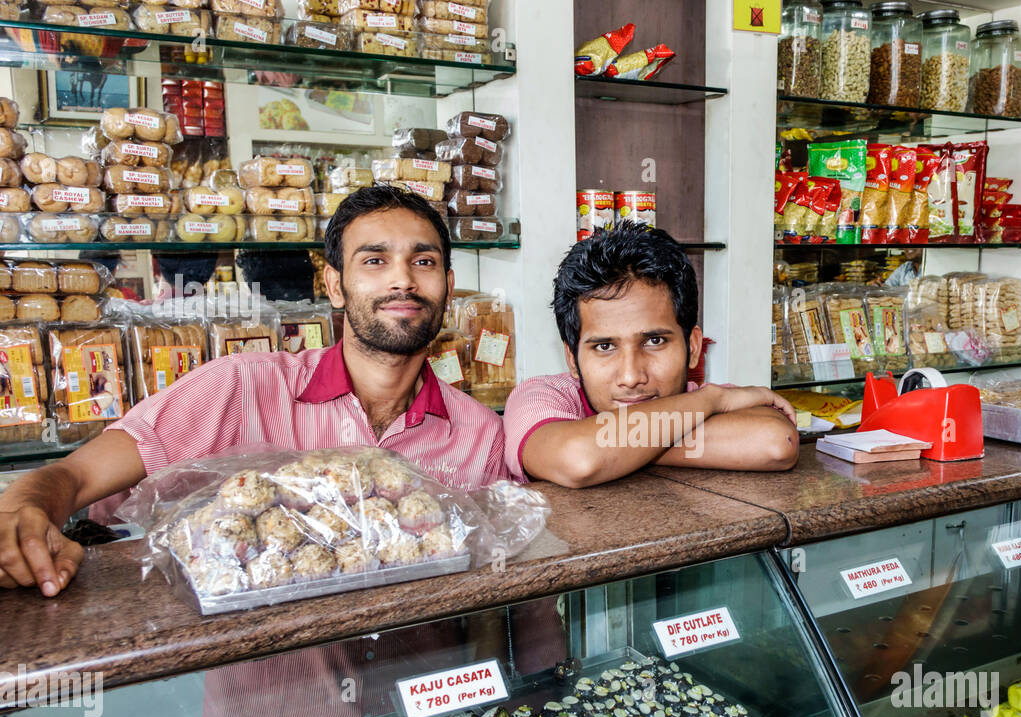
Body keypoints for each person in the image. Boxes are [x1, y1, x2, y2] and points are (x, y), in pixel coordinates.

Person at [0, 183, 507, 597]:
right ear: (334, 285)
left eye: (424, 262)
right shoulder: (240, 387)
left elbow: (495, 587)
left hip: (423, 692)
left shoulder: (480, 434)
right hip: (266, 707)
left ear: (448, 281)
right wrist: (24, 513)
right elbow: (73, 473)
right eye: (374, 261)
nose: (403, 281)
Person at [504, 223, 799, 487]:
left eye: (654, 341)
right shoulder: (541, 396)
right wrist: (711, 401)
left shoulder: (699, 399)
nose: (631, 376)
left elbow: (776, 441)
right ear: (572, 359)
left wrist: (614, 448)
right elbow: (578, 459)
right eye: (605, 347)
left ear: (693, 347)